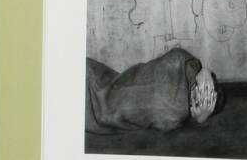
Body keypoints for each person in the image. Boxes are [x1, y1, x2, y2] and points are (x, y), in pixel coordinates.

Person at [85, 47, 222, 134]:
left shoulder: (176, 112)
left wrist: (200, 118)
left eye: (203, 102)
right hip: (102, 79)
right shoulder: (183, 64)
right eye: (206, 91)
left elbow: (166, 118)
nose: (200, 96)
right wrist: (204, 71)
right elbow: (177, 55)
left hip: (100, 111)